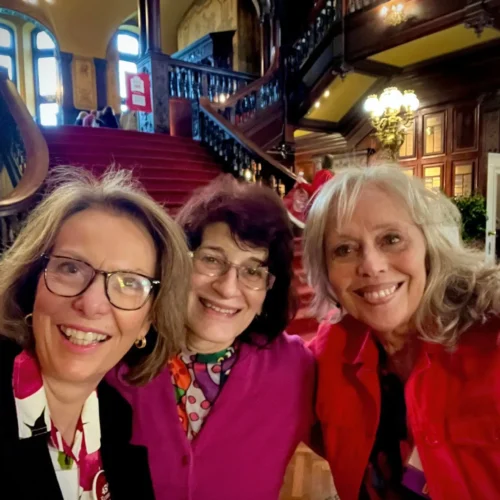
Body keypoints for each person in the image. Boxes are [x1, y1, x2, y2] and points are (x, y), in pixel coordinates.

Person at [107, 175, 316, 500]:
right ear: (178, 262)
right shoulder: (116, 354)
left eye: (252, 270)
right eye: (212, 259)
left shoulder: (296, 368)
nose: (228, 287)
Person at [304, 165, 500, 500]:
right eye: (344, 249)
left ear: (429, 245)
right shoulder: (329, 354)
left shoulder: (490, 340)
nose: (371, 265)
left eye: (391, 239)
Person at [0, 167, 191, 499]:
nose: (91, 304)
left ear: (148, 321)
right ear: (32, 282)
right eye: (71, 268)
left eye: (129, 282)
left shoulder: (115, 415)